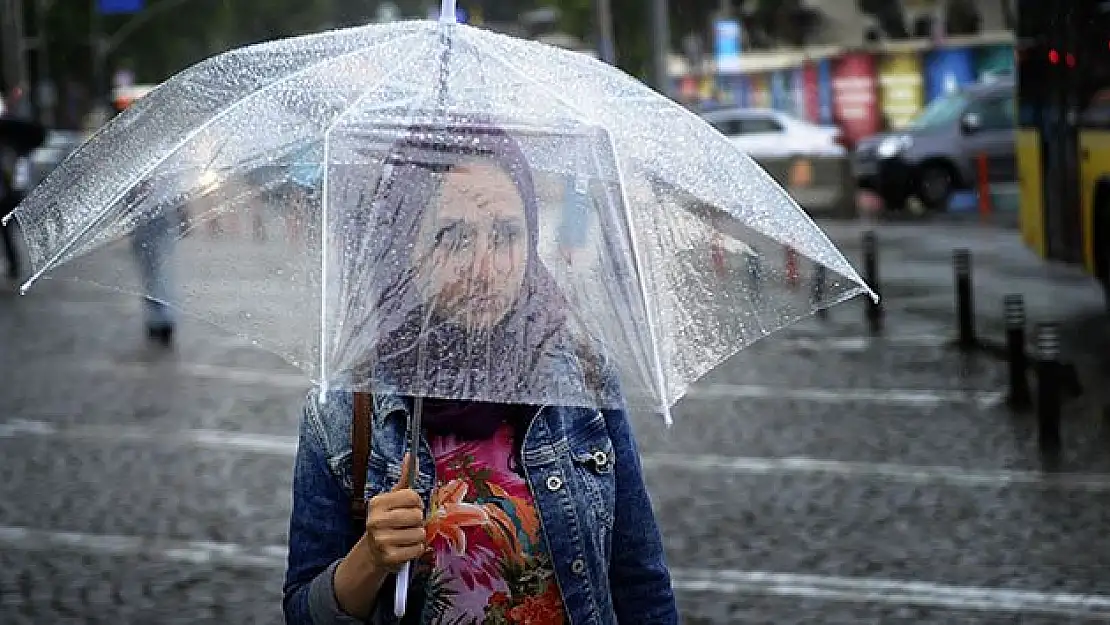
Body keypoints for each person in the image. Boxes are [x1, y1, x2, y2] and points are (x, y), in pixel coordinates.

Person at [282, 122, 678, 625]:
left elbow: (639, 581)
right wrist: (369, 559)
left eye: (507, 234)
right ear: (404, 243)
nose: (485, 267)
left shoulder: (581, 376)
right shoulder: (345, 409)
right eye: (454, 237)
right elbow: (302, 611)